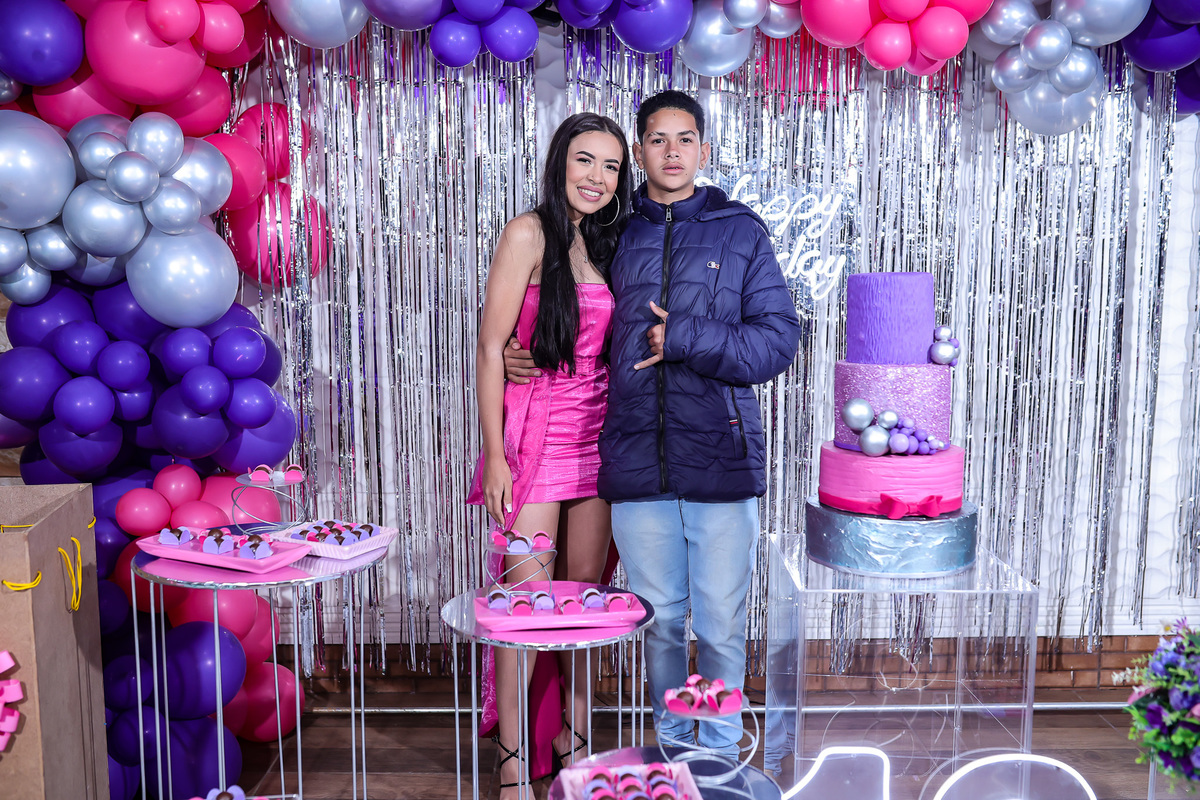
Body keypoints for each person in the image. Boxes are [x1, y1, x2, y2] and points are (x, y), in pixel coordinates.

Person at [505, 90, 802, 757]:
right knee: (660, 622)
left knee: (719, 624)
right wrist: (515, 348)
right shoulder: (612, 231)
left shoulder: (740, 230)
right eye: (658, 140)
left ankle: (717, 749)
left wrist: (687, 336)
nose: (672, 152)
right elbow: (565, 303)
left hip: (721, 462)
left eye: (685, 139)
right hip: (634, 463)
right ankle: (672, 744)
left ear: (704, 149)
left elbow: (779, 341)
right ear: (639, 152)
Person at [467, 112, 633, 798]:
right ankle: (512, 762)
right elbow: (490, 347)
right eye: (585, 159)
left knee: (585, 600)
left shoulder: (612, 243)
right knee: (525, 606)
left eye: (611, 166)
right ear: (561, 161)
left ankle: (576, 741)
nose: (597, 177)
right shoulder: (527, 233)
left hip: (600, 442)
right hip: (535, 440)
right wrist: (495, 458)